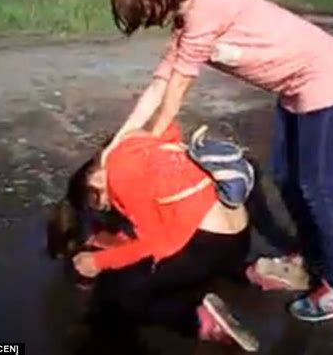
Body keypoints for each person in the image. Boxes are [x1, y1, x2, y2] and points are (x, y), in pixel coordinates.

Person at [94, 0, 333, 323]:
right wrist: (117, 144)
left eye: (142, 12)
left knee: (316, 186)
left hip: (325, 77)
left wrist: (145, 147)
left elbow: (174, 95)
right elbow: (159, 85)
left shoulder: (207, 8)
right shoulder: (187, 20)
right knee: (287, 178)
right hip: (295, 88)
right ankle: (315, 257)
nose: (147, 23)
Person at [72, 123, 259, 352]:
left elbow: (154, 243)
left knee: (123, 296)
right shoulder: (149, 145)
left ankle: (201, 321)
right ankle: (254, 273)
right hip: (239, 238)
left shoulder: (121, 178)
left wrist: (100, 261)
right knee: (181, 244)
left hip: (207, 248)